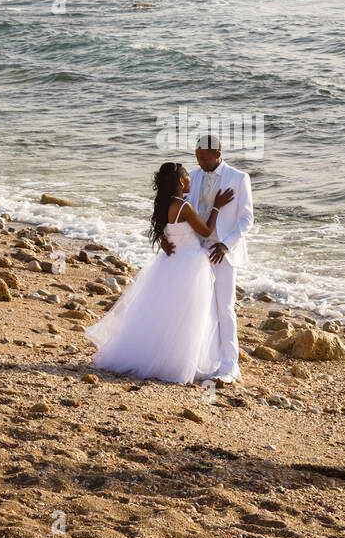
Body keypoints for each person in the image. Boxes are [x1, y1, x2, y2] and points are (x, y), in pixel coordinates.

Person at [86, 162, 236, 384]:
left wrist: (165, 242)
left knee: (167, 313)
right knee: (188, 315)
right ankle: (178, 363)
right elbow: (205, 230)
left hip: (172, 262)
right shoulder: (183, 207)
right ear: (179, 182)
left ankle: (157, 357)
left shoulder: (164, 205)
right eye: (187, 177)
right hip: (190, 264)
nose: (190, 180)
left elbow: (165, 232)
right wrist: (216, 205)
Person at [160, 134, 254, 383]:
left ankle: (229, 366)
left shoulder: (239, 178)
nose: (200, 162)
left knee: (224, 308)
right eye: (197, 157)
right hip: (195, 252)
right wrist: (165, 237)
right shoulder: (193, 175)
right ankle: (204, 361)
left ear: (218, 154)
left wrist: (226, 244)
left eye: (204, 157)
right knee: (202, 309)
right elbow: (176, 209)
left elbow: (246, 220)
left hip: (222, 252)